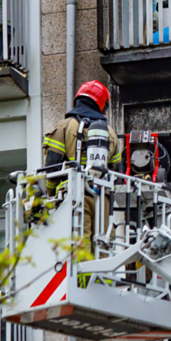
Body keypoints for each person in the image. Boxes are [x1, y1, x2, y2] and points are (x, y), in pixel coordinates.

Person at [42, 80, 123, 242]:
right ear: (101, 104)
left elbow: (52, 168)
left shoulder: (63, 127)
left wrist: (50, 196)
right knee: (103, 245)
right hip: (102, 199)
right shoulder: (110, 133)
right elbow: (118, 175)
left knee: (79, 244)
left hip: (72, 195)